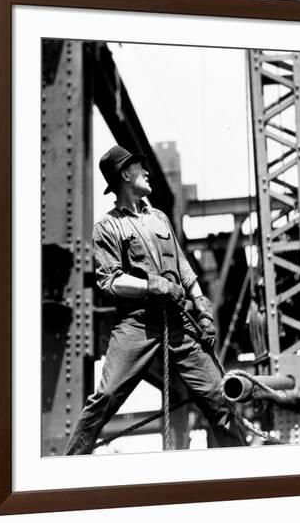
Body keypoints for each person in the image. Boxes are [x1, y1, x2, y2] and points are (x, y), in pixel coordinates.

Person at [64, 145, 245, 455]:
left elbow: (184, 266)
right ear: (125, 174)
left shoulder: (159, 218)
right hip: (137, 325)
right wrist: (153, 285)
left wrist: (202, 305)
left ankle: (246, 466)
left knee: (220, 397)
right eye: (139, 167)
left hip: (179, 321)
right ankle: (65, 470)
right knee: (106, 397)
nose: (147, 172)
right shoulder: (107, 227)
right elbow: (110, 280)